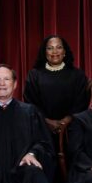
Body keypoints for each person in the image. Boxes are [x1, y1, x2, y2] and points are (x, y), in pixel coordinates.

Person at [23, 34, 88, 164]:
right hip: (42, 129)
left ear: (64, 51)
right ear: (44, 52)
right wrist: (47, 121)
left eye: (58, 47)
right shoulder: (34, 75)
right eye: (50, 48)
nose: (54, 52)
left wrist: (67, 120)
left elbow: (82, 100)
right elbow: (30, 102)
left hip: (72, 129)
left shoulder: (77, 74)